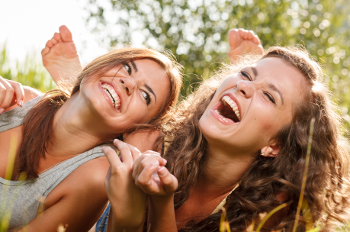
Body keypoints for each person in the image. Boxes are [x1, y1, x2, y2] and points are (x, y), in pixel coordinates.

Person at [102, 45, 350, 231]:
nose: (244, 86)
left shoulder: (270, 214)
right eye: (246, 74)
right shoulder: (149, 142)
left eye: (269, 96)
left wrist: (161, 202)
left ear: (275, 145)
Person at [0, 34, 182, 231]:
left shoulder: (93, 178)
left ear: (139, 127)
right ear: (100, 64)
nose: (129, 84)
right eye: (128, 68)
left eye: (145, 96)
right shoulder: (18, 100)